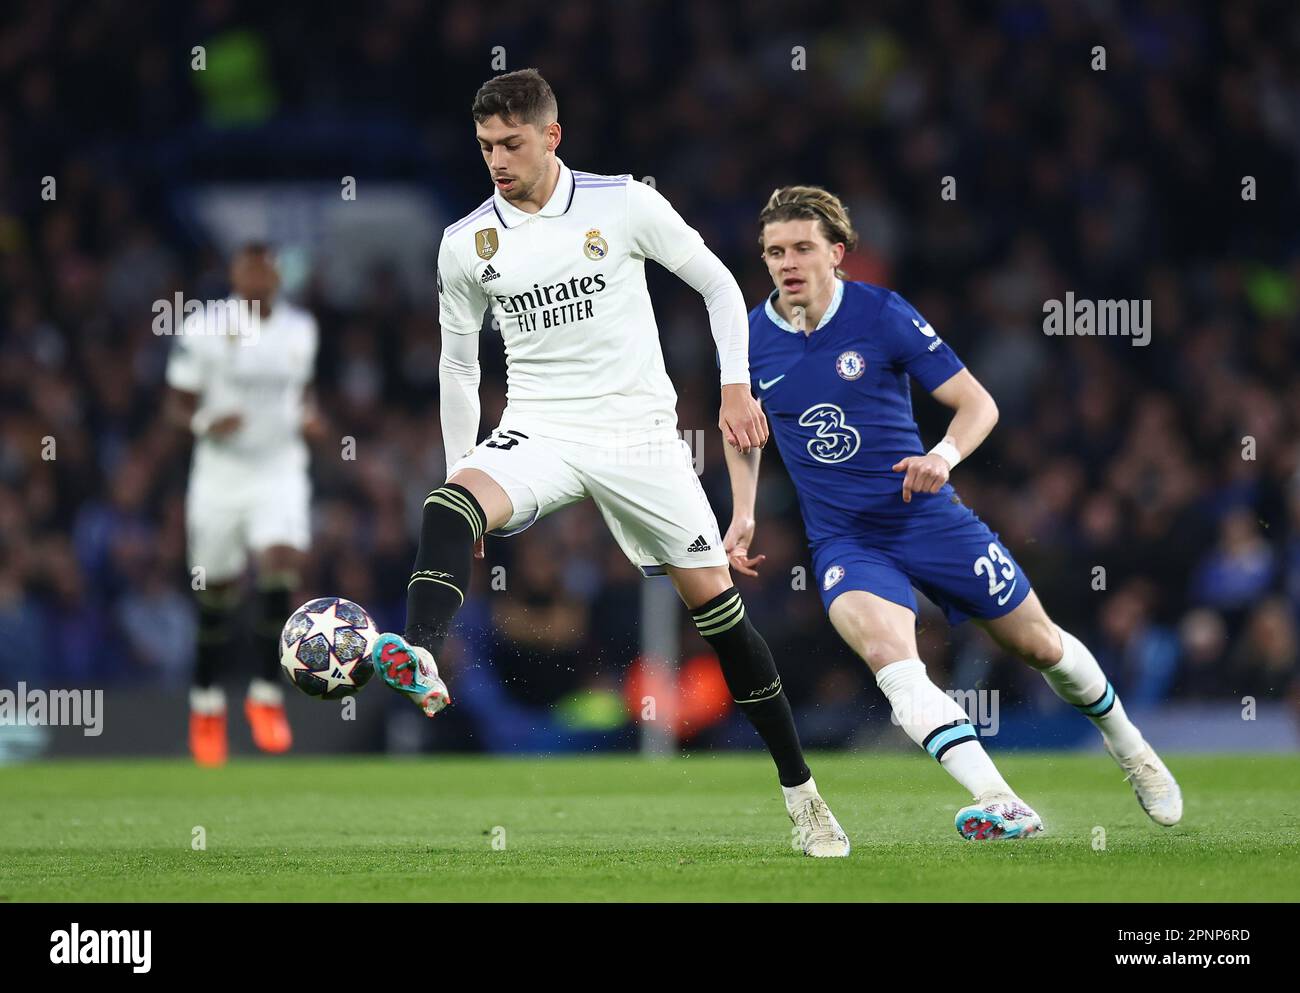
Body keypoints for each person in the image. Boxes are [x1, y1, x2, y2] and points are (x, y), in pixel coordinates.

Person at [368, 69, 848, 856]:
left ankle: (804, 795)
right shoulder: (467, 244)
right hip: (541, 428)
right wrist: (464, 466)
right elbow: (458, 368)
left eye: (511, 143)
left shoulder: (622, 202)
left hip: (638, 434)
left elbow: (719, 284)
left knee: (719, 615)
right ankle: (421, 650)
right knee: (445, 506)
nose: (497, 158)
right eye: (485, 145)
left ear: (551, 136)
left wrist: (734, 387)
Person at [724, 185, 1181, 839]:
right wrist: (743, 513)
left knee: (1041, 644)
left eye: (802, 247)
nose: (787, 262)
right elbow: (742, 431)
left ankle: (1129, 745)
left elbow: (978, 403)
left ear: (838, 252)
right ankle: (1001, 799)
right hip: (845, 540)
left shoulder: (881, 314)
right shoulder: (748, 340)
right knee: (892, 659)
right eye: (773, 251)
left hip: (926, 516)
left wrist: (943, 454)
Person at [164, 244, 322, 766]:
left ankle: (265, 695)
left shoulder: (301, 330)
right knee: (219, 591)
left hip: (279, 470)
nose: (257, 277)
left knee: (280, 565)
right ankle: (206, 702)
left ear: (278, 274)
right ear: (234, 273)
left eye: (267, 267)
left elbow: (300, 397)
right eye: (248, 267)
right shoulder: (204, 326)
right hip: (219, 477)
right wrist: (205, 424)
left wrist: (310, 419)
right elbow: (177, 403)